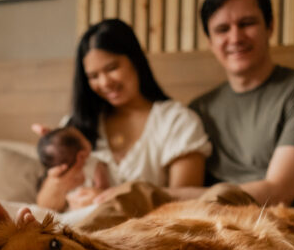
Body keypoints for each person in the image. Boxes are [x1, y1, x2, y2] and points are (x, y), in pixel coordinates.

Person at [189, 0, 294, 207]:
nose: (235, 37)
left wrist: (161, 196)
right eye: (222, 29)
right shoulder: (198, 110)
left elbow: (278, 192)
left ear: (270, 26)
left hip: (292, 228)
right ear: (210, 41)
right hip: (214, 227)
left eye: (246, 23)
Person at [34, 18, 212, 212]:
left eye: (112, 68)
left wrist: (110, 203)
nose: (104, 83)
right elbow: (45, 208)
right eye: (93, 76)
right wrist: (57, 171)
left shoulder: (177, 121)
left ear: (135, 60)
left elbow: (183, 208)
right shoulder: (74, 127)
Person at [36, 126, 110, 192]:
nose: (87, 140)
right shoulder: (93, 163)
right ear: (81, 155)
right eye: (84, 139)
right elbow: (104, 188)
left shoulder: (63, 177)